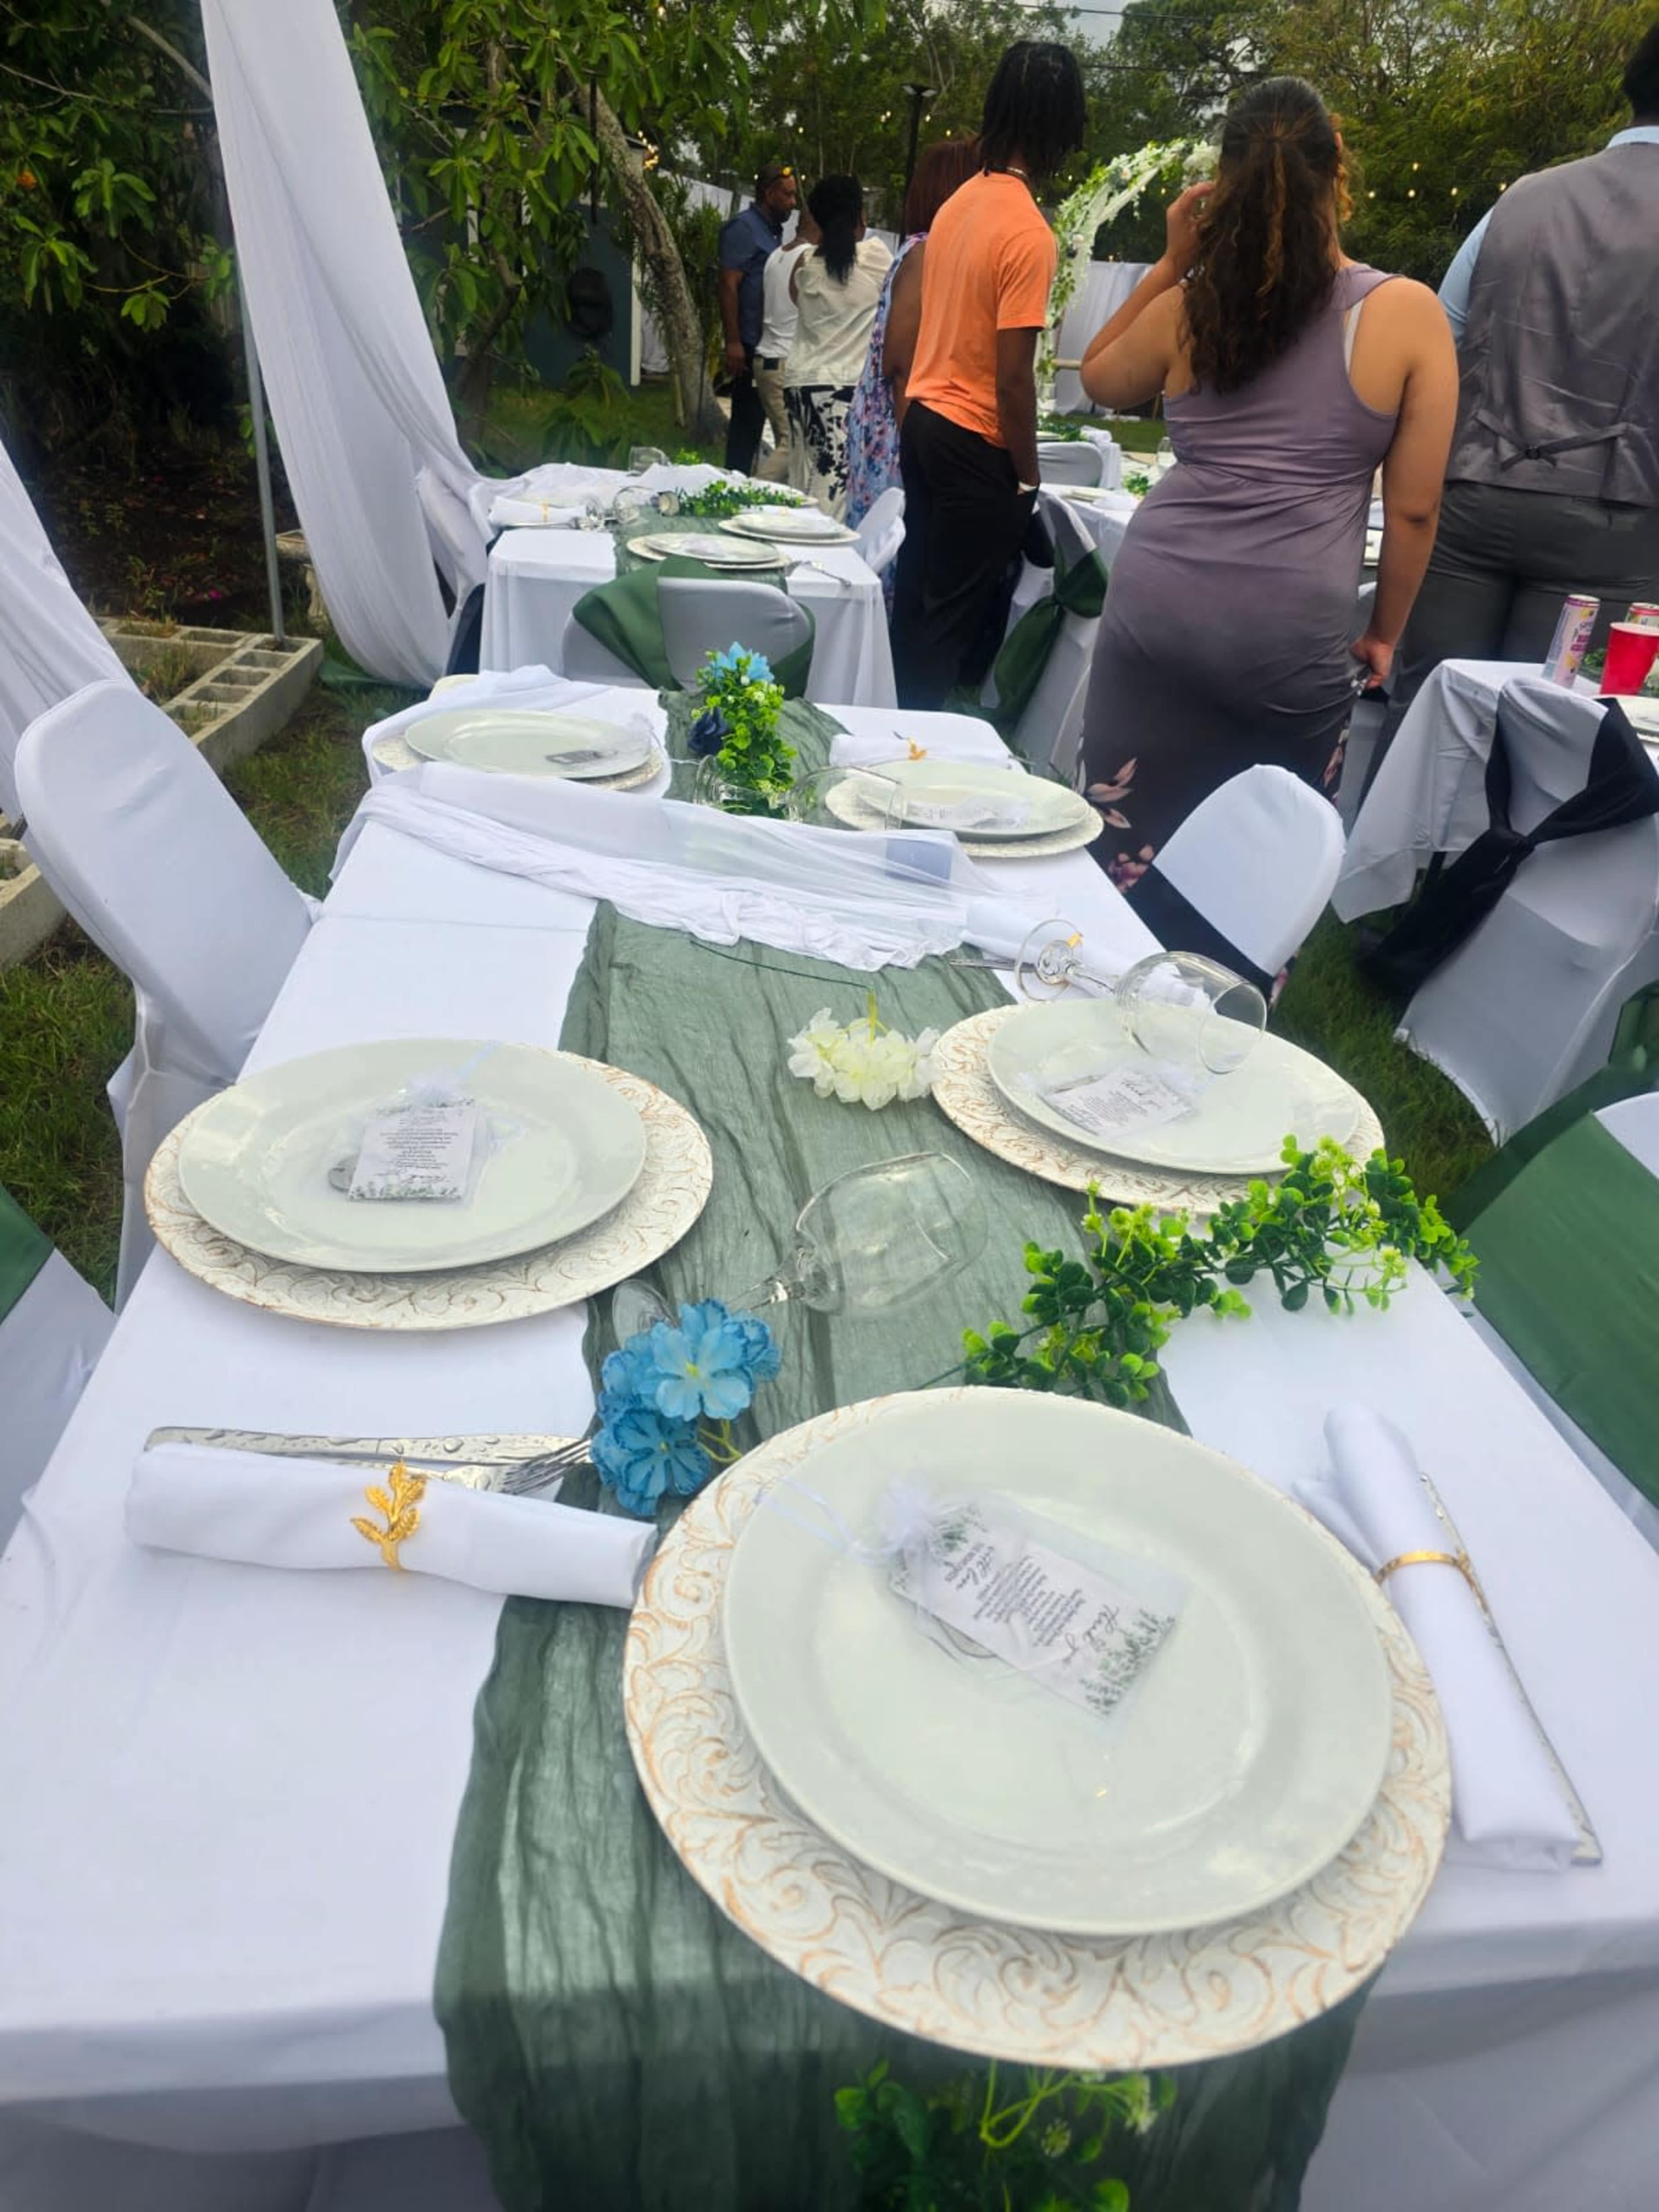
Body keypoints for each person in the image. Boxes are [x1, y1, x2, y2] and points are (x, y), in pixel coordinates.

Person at [1074, 76, 1457, 890]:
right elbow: (1417, 508)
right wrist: (1384, 633)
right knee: (1252, 874)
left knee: (1116, 851)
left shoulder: (1195, 306)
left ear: (1226, 181)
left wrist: (1176, 263)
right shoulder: (1406, 314)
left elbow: (1100, 375)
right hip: (1288, 639)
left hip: (1157, 613)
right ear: (1338, 171)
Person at [1383, 19, 1659, 729]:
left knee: (1428, 715)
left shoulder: (1520, 201)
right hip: (1615, 521)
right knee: (1548, 737)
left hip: (1475, 497)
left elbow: (1441, 347)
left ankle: (1391, 844)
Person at [889, 42, 1087, 710]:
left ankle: (887, 740)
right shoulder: (1029, 233)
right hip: (976, 440)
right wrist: (1029, 475)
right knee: (949, 628)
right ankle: (911, 769)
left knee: (917, 606)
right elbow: (1012, 379)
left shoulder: (958, 205)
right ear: (1062, 127)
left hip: (922, 422)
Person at [844, 137, 980, 528]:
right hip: (896, 438)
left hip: (898, 432)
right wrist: (920, 458)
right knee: (896, 552)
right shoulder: (926, 254)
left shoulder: (932, 253)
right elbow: (902, 364)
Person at [783, 175, 892, 515]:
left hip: (800, 383)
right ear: (860, 216)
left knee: (802, 483)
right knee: (833, 498)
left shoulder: (806, 264)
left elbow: (795, 298)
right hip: (842, 392)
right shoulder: (876, 257)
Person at [718, 160, 798, 476]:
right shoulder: (743, 229)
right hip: (748, 345)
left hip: (767, 347)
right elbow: (728, 285)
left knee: (764, 433)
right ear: (768, 193)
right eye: (787, 196)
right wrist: (734, 342)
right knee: (745, 431)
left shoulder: (772, 233)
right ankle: (732, 489)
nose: (793, 204)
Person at [753, 207, 818, 483]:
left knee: (786, 439)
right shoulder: (809, 258)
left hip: (765, 359)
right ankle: (750, 494)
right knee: (791, 445)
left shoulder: (776, 256)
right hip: (783, 362)